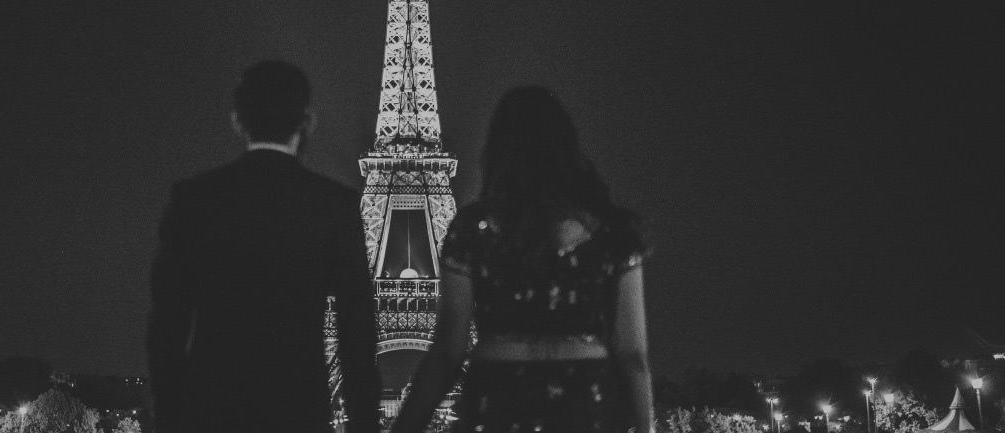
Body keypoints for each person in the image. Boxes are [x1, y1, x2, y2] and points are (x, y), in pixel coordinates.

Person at [391, 86, 654, 433]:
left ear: (498, 150)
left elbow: (447, 353)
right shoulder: (614, 234)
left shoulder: (472, 230)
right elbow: (633, 356)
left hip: (498, 403)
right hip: (586, 406)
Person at [147, 60, 380, 433]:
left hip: (210, 411)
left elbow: (166, 329)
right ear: (307, 122)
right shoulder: (334, 206)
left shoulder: (193, 200)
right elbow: (357, 335)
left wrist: (170, 420)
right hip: (298, 411)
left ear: (238, 119)